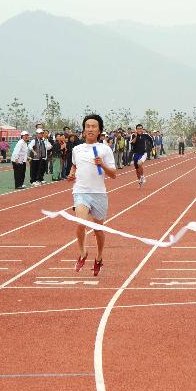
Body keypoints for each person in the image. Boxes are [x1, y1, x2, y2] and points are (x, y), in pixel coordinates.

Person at [68, 114, 116, 277]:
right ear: (83, 130)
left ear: (99, 130)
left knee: (98, 230)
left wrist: (101, 164)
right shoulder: (76, 149)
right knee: (80, 223)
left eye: (93, 126)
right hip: (81, 191)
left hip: (99, 193)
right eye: (87, 126)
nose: (90, 129)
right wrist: (71, 173)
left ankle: (99, 257)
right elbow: (74, 165)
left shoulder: (104, 149)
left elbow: (113, 174)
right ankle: (82, 253)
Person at [131, 123, 155, 188]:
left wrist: (153, 147)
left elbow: (151, 139)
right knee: (137, 171)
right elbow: (132, 143)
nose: (139, 130)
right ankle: (140, 181)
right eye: (138, 129)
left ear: (142, 129)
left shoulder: (145, 135)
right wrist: (136, 136)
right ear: (136, 129)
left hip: (143, 153)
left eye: (141, 128)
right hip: (135, 154)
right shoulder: (133, 135)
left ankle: (142, 176)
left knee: (139, 164)